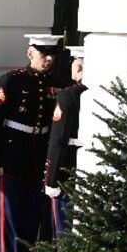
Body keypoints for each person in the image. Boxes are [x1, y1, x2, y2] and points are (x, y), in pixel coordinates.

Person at [0, 34, 63, 252]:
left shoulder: (56, 84)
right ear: (30, 53)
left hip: (40, 157)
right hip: (14, 155)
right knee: (12, 217)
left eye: (52, 55)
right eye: (44, 54)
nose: (49, 59)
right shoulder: (11, 80)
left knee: (33, 217)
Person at [45, 47, 86, 237]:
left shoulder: (68, 95)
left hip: (68, 170)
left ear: (79, 68)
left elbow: (58, 140)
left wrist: (51, 180)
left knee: (64, 229)